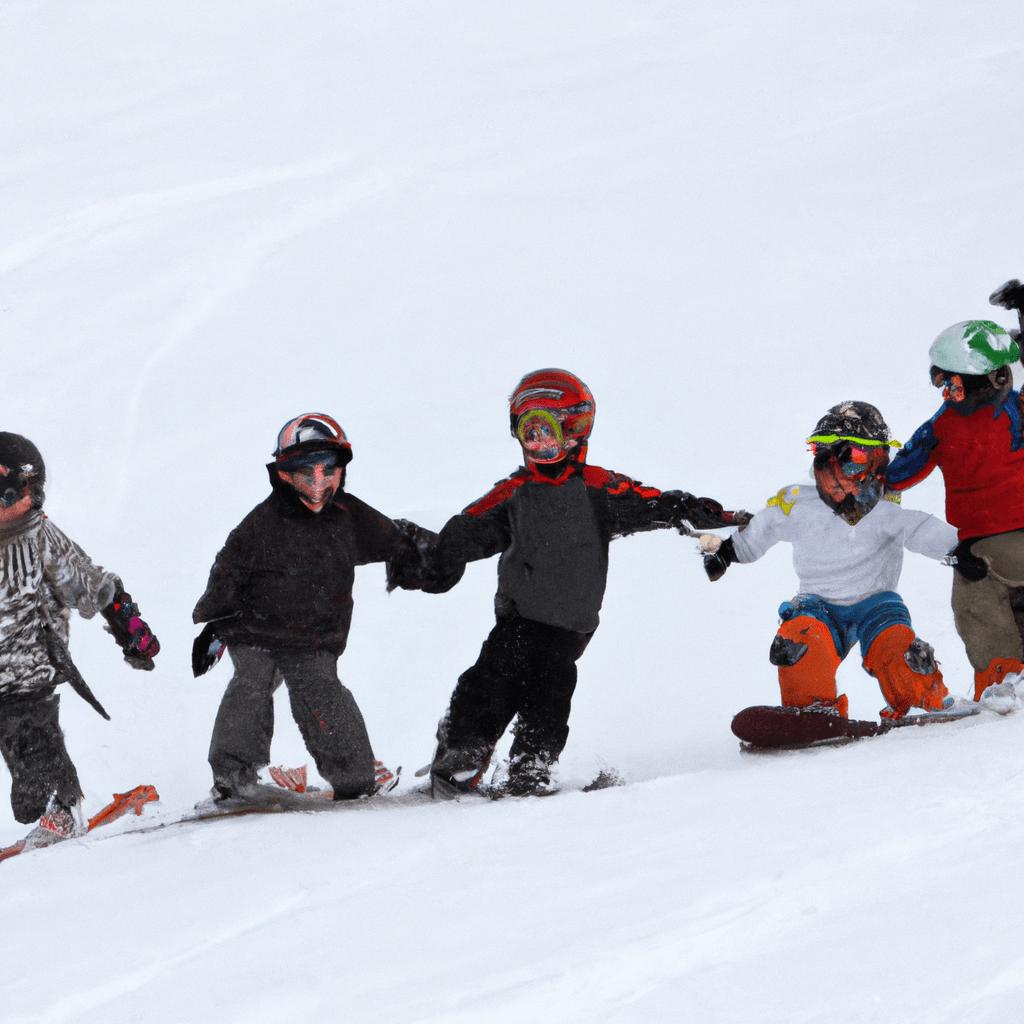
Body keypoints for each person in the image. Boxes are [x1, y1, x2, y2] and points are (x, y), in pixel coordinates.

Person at [389, 369, 747, 797]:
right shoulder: (513, 494)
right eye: (530, 434)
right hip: (520, 614)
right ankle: (463, 750)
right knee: (491, 676)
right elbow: (464, 535)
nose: (540, 446)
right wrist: (422, 560)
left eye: (550, 433)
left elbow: (652, 502)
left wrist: (694, 511)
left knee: (549, 686)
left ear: (577, 431)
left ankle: (533, 762)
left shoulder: (599, 489)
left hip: (571, 622)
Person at [192, 413, 424, 802]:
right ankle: (232, 778)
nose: (319, 485)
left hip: (313, 635)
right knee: (250, 685)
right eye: (306, 475)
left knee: (320, 692)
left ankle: (355, 779)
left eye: (327, 472)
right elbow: (228, 570)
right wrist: (215, 625)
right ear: (284, 475)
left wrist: (432, 557)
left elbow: (397, 541)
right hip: (255, 627)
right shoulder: (262, 524)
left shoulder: (349, 517)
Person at [702, 402, 955, 720]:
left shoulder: (885, 511)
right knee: (798, 640)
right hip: (817, 606)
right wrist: (729, 551)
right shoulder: (800, 504)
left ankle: (922, 699)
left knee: (898, 649)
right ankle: (811, 710)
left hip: (877, 605)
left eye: (851, 458)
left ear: (874, 459)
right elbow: (765, 525)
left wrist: (967, 551)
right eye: (823, 455)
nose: (836, 471)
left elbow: (923, 530)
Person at [0, 432, 159, 845]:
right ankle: (48, 801)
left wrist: (125, 620)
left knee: (31, 741)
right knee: (20, 768)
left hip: (29, 665)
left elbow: (87, 581)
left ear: (32, 494)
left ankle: (62, 808)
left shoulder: (40, 539)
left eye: (6, 494)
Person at [886, 312, 1024, 700]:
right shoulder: (944, 425)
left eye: (955, 384)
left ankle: (1003, 678)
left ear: (993, 379)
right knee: (984, 598)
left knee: (976, 594)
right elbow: (903, 469)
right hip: (980, 544)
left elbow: (901, 472)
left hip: (1009, 534)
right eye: (941, 382)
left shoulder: (1015, 412)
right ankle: (1004, 675)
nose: (947, 392)